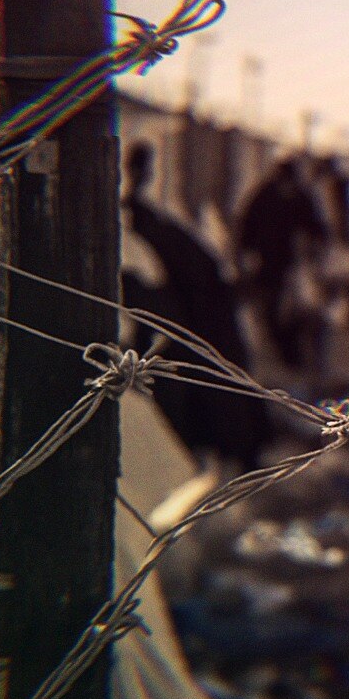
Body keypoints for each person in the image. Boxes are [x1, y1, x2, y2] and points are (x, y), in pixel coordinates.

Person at [121, 143, 269, 473]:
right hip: (189, 330)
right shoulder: (142, 223)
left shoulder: (156, 219)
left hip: (199, 326)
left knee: (218, 392)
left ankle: (232, 453)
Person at [235, 155, 332, 380]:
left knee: (295, 314)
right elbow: (246, 228)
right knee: (273, 313)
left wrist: (316, 255)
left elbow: (318, 228)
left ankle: (294, 358)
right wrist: (243, 258)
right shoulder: (265, 195)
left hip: (291, 266)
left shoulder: (297, 196)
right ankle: (287, 357)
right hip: (268, 265)